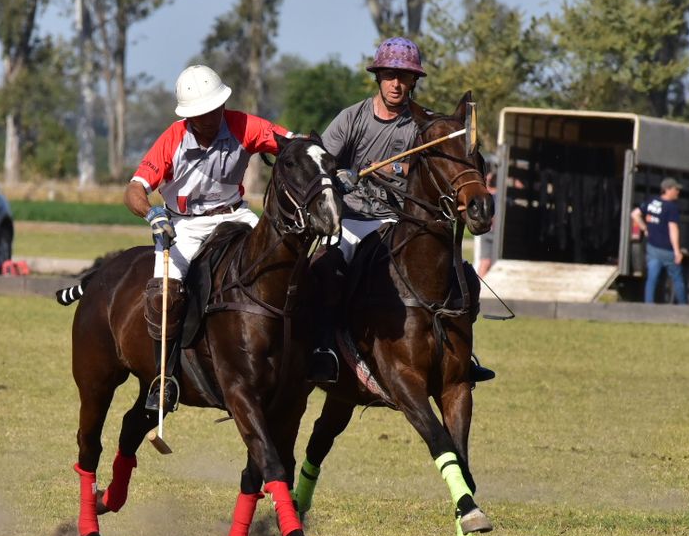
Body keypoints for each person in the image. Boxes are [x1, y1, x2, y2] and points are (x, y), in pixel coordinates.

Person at [312, 36, 494, 384]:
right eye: (390, 75)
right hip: (354, 219)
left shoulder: (424, 127)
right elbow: (319, 161)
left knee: (465, 276)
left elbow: (437, 171)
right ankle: (324, 349)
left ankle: (461, 355)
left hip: (401, 219)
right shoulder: (352, 118)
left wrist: (395, 170)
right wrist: (339, 176)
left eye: (404, 77)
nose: (397, 84)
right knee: (325, 268)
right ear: (378, 77)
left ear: (414, 81)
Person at [125, 64, 290, 411]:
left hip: (235, 214)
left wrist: (322, 163)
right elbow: (135, 190)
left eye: (216, 109)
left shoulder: (243, 125)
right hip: (184, 225)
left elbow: (290, 144)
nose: (212, 118)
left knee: (287, 264)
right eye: (203, 113)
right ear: (189, 116)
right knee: (163, 294)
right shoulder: (172, 138)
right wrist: (153, 214)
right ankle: (164, 378)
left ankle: (307, 354)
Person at [631, 177, 686, 304]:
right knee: (677, 279)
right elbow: (673, 230)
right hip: (667, 250)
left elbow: (635, 214)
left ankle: (649, 307)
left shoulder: (652, 202)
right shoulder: (671, 208)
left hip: (652, 248)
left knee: (652, 279)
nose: (678, 192)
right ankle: (684, 308)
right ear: (667, 190)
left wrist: (644, 227)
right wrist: (677, 251)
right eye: (675, 189)